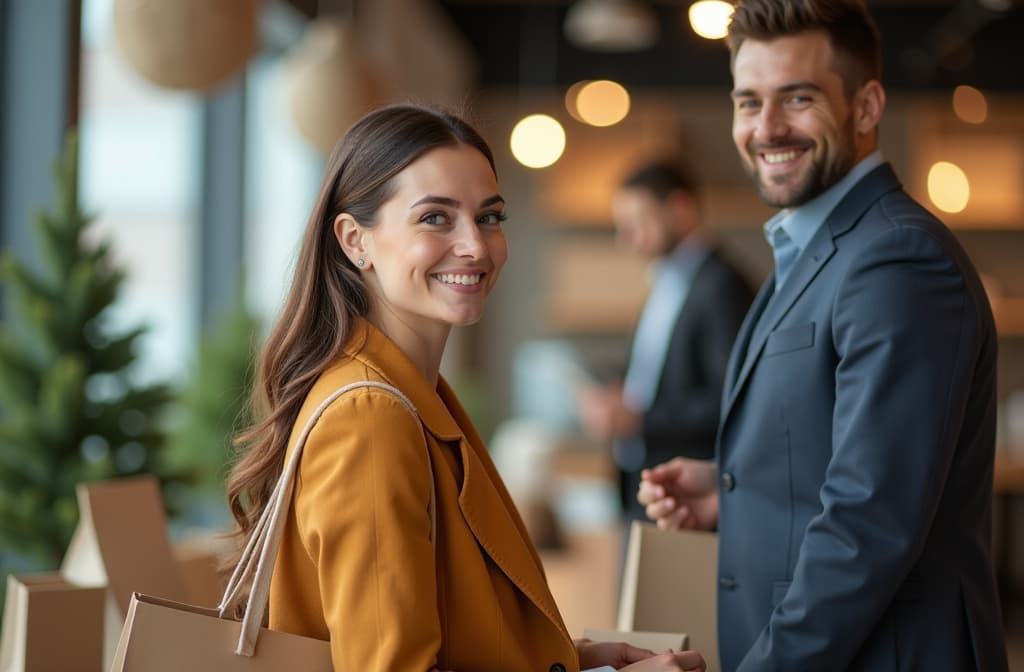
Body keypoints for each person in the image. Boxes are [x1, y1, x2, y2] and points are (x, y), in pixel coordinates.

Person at [226, 104, 706, 672]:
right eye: (435, 218)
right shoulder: (371, 415)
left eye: (490, 217)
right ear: (356, 241)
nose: (476, 246)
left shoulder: (412, 394)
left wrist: (570, 659)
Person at [638, 1, 1009, 670]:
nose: (766, 127)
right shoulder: (815, 251)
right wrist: (733, 487)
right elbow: (846, 463)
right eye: (747, 102)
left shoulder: (898, 259)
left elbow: (870, 524)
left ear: (866, 108)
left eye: (797, 98)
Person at [577, 161, 753, 524]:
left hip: (688, 493)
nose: (626, 238)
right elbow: (657, 375)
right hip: (646, 482)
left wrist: (640, 421)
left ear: (680, 209)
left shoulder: (721, 287)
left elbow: (732, 399)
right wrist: (616, 397)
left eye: (638, 222)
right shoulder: (666, 282)